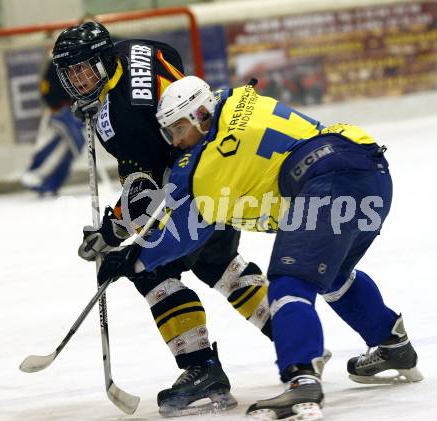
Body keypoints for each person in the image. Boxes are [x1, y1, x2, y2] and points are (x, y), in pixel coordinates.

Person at [97, 75, 423, 420]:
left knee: (289, 281)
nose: (176, 141)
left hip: (326, 181)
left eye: (179, 129)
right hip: (371, 171)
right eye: (169, 133)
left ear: (201, 116)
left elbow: (187, 233)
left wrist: (135, 260)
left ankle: (302, 382)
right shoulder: (233, 98)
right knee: (334, 274)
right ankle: (392, 344)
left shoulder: (211, 167)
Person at [52, 22, 277, 416]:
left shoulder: (122, 118)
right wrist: (101, 96)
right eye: (71, 73)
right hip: (217, 168)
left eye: (85, 70)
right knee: (220, 264)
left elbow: (146, 193)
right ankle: (294, 338)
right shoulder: (134, 47)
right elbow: (169, 58)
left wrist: (110, 232)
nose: (78, 81)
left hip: (189, 187)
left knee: (149, 270)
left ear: (104, 61)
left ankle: (201, 368)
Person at [20, 51, 85, 195]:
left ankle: (49, 183)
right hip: (60, 112)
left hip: (73, 111)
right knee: (75, 142)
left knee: (69, 146)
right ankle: (37, 172)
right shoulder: (54, 64)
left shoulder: (76, 63)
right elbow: (45, 89)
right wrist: (55, 106)